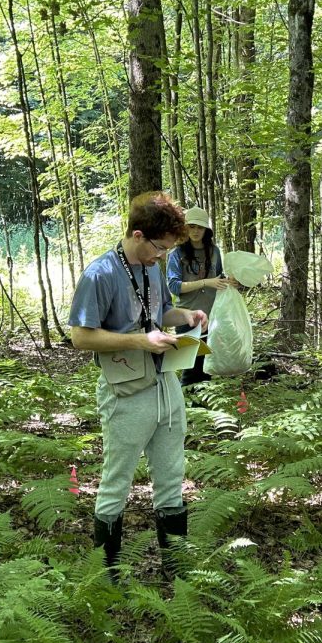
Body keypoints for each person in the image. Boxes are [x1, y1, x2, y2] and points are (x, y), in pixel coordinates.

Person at [68, 191, 208, 580]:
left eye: (166, 252)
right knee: (117, 482)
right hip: (125, 392)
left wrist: (188, 315)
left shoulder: (151, 267)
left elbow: (161, 311)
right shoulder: (100, 274)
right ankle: (107, 576)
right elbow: (81, 337)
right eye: (159, 249)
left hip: (165, 385)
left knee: (171, 479)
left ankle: (177, 576)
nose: (161, 257)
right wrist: (140, 341)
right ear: (138, 234)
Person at [166, 206, 232, 386]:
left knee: (206, 367)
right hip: (186, 317)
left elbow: (219, 279)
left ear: (206, 230)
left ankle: (205, 410)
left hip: (211, 316)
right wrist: (206, 282)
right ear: (185, 228)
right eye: (191, 226)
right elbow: (174, 286)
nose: (195, 231)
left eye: (199, 227)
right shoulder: (176, 254)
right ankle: (187, 408)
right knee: (189, 366)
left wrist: (228, 282)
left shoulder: (214, 252)